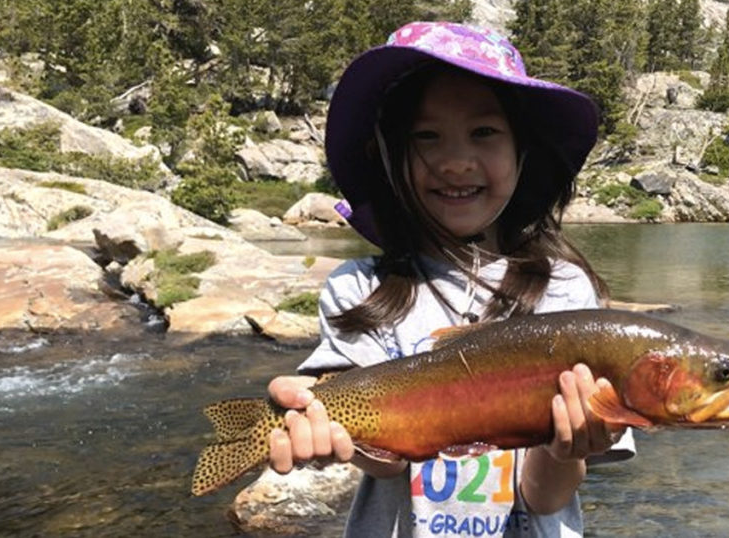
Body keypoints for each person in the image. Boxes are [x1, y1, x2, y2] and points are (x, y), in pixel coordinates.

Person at [266, 21, 635, 537]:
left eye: (484, 132)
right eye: (425, 136)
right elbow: (390, 463)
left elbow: (543, 496)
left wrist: (565, 445)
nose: (457, 161)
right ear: (392, 158)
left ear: (521, 154)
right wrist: (328, 429)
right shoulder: (358, 289)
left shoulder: (566, 291)